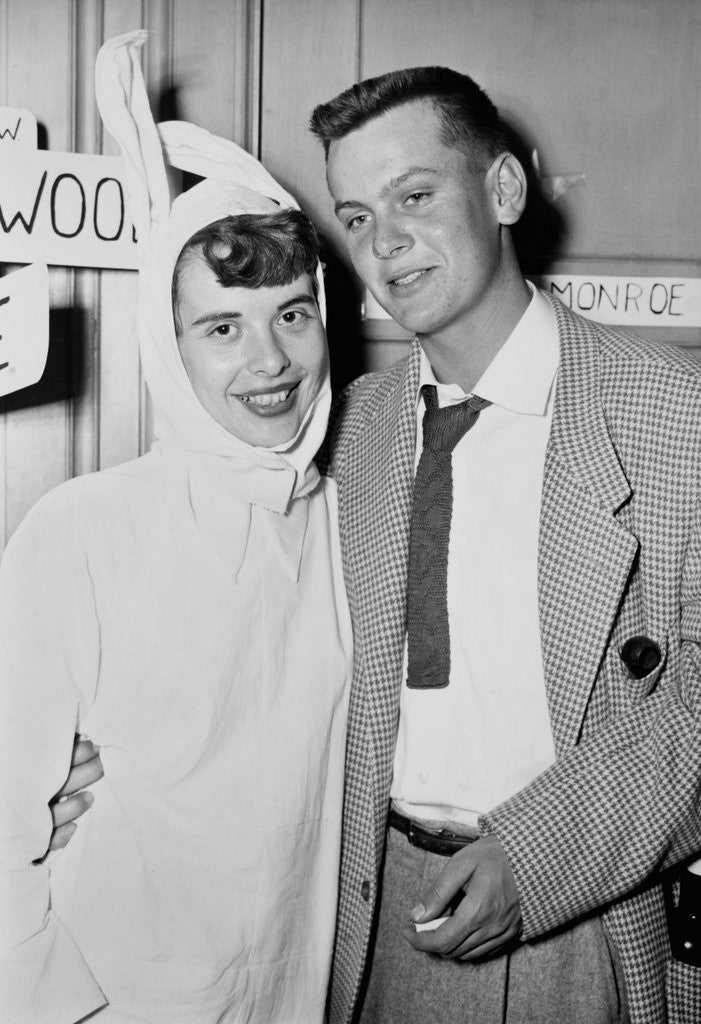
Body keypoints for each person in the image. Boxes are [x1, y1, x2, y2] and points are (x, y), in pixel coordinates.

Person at [307, 67, 701, 1024]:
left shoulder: (671, 411)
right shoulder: (347, 429)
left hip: (584, 914)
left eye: (413, 196)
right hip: (371, 917)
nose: (383, 242)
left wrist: (540, 855)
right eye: (356, 217)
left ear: (504, 190)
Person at [0, 32, 351, 1024]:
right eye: (222, 327)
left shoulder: (346, 525)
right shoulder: (82, 531)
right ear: (168, 342)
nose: (269, 361)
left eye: (292, 314)